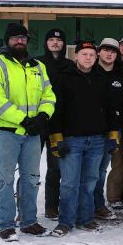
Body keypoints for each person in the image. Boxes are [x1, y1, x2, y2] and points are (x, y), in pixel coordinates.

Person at [0, 23, 56, 241]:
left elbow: (49, 95)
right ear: (7, 41)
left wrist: (43, 116)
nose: (19, 41)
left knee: (31, 178)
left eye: (23, 37)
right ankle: (5, 225)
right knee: (5, 179)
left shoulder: (37, 67)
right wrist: (22, 119)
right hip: (6, 132)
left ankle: (29, 222)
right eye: (15, 37)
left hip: (32, 133)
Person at [48, 40, 119, 237]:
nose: (88, 58)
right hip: (72, 140)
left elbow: (111, 110)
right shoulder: (64, 78)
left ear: (96, 57)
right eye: (84, 54)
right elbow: (56, 110)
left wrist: (113, 135)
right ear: (76, 56)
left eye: (91, 54)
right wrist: (56, 138)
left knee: (89, 182)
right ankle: (65, 222)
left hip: (97, 140)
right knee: (69, 183)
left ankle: (85, 219)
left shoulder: (101, 79)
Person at [36, 28, 73, 221]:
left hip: (59, 126)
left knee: (55, 168)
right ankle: (24, 209)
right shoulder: (36, 64)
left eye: (58, 40)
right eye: (51, 39)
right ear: (46, 43)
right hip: (38, 123)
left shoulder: (70, 66)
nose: (55, 43)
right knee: (30, 169)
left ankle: (52, 206)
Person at [93, 38, 123, 220]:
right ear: (99, 52)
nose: (109, 54)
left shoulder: (120, 76)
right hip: (91, 130)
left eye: (113, 51)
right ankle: (87, 205)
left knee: (102, 169)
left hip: (112, 131)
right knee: (89, 171)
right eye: (106, 50)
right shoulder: (90, 72)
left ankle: (98, 205)